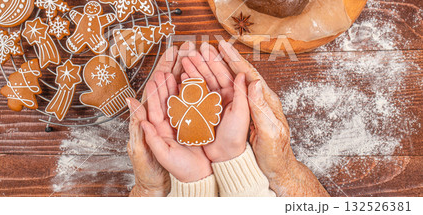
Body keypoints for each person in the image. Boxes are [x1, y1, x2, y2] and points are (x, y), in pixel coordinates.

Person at [126, 40, 329, 197]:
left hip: (201, 131)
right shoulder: (191, 104)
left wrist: (152, 189)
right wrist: (282, 170)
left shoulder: (208, 101)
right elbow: (180, 112)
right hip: (194, 131)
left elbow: (208, 108)